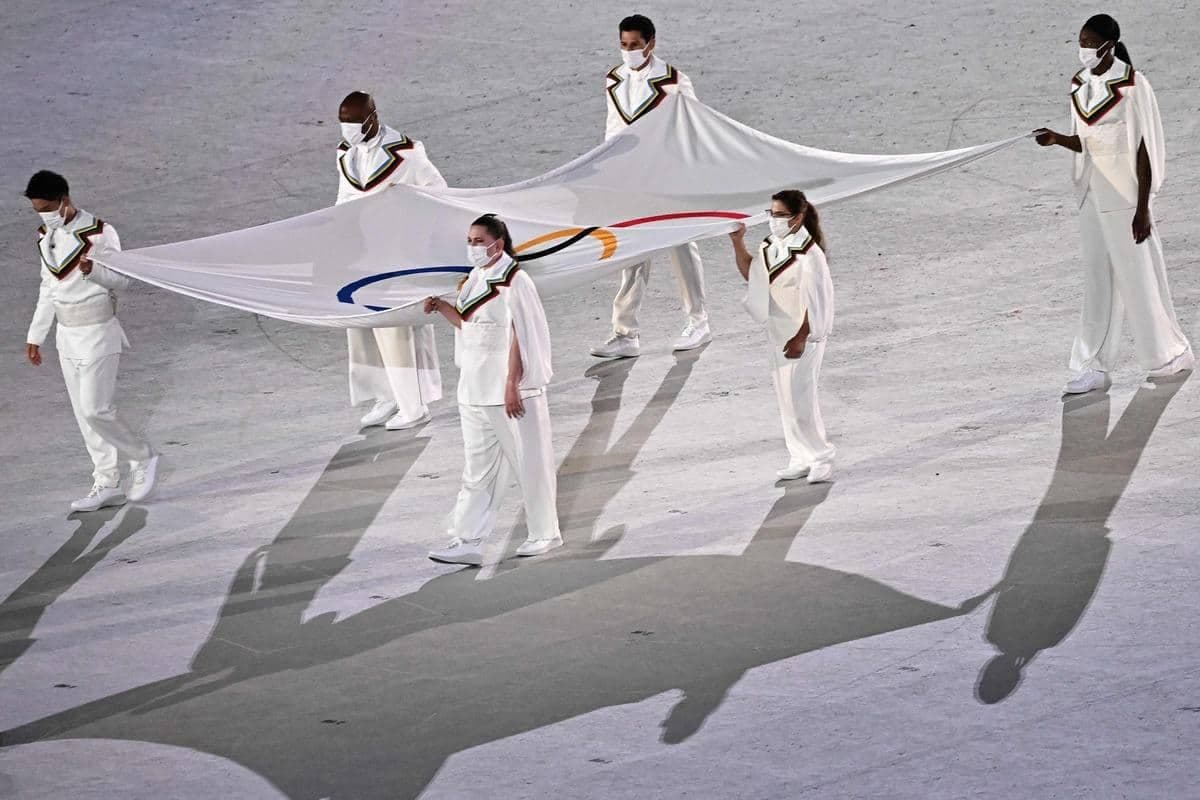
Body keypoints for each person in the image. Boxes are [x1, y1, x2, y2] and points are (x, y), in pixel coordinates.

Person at [1034, 14, 1193, 394]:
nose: (1084, 48)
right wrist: (1057, 139)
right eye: (1081, 41)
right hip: (1092, 193)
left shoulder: (1134, 86)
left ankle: (1171, 352)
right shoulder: (1079, 85)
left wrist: (1143, 208)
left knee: (1139, 279)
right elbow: (1084, 141)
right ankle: (1094, 366)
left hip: (1125, 196)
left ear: (1109, 43)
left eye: (1090, 41)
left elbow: (1145, 150)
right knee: (1097, 281)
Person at [423, 215, 562, 565]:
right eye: (469, 240)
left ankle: (545, 534)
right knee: (477, 469)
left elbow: (521, 333)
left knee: (531, 464)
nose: (472, 247)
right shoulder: (474, 279)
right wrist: (442, 308)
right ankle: (468, 540)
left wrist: (514, 383)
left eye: (477, 241)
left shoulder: (516, 280)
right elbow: (471, 327)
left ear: (497, 245)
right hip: (473, 389)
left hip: (509, 391)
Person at [23, 170, 159, 511]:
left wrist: (92, 271)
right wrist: (35, 335)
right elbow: (47, 288)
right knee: (83, 416)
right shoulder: (44, 236)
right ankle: (106, 480)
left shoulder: (100, 232)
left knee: (95, 408)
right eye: (38, 209)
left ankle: (142, 457)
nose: (43, 214)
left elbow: (125, 280)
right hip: (66, 336)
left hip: (98, 331)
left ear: (64, 201)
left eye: (47, 207)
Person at [590, 14, 711, 359]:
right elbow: (613, 128)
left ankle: (698, 320)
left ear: (651, 43)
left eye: (635, 45)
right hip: (629, 181)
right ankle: (625, 332)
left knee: (681, 247)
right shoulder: (613, 78)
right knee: (632, 252)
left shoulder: (673, 80)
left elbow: (694, 125)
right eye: (624, 45)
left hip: (667, 178)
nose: (629, 51)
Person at [337, 91, 445, 429]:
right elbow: (343, 198)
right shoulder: (345, 155)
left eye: (354, 123)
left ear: (372, 117)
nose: (348, 130)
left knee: (397, 330)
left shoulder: (407, 153)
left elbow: (438, 191)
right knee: (363, 328)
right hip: (362, 254)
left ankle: (413, 405)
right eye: (344, 124)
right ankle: (385, 396)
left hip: (399, 254)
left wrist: (416, 234)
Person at [728, 190, 835, 483]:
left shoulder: (810, 256)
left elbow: (815, 301)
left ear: (798, 217)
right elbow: (752, 273)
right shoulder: (770, 245)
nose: (773, 220)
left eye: (779, 215)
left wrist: (801, 337)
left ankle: (820, 456)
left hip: (804, 338)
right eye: (771, 214)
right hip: (778, 332)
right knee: (786, 400)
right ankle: (799, 456)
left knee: (802, 399)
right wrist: (738, 243)